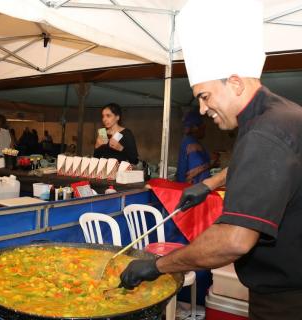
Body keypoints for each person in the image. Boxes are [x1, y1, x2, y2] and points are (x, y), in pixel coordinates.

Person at [120, 1, 302, 319]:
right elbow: (270, 169)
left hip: (288, 299)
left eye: (205, 96)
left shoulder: (263, 133)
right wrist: (210, 183)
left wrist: (158, 266)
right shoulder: (283, 114)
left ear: (234, 82)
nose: (202, 109)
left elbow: (233, 241)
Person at [176, 110, 211, 184]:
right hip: (191, 190)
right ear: (195, 127)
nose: (204, 129)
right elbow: (192, 174)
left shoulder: (189, 141)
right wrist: (211, 164)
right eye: (203, 127)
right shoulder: (192, 144)